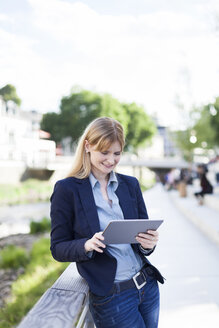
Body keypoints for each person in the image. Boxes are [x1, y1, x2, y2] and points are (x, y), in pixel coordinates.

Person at [50, 117, 164, 328]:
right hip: (113, 298)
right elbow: (57, 248)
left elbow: (141, 242)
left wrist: (148, 244)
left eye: (117, 153)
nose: (111, 160)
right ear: (88, 146)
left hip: (147, 287)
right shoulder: (67, 190)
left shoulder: (130, 185)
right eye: (104, 152)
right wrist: (85, 245)